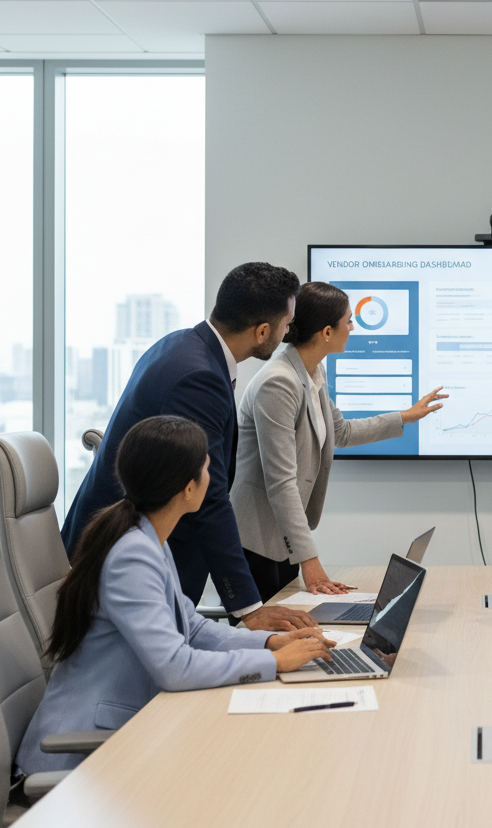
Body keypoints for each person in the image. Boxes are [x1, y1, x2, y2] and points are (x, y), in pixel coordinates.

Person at [17, 416, 334, 776]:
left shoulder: (147, 537)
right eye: (207, 468)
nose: (213, 478)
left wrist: (270, 642)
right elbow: (174, 668)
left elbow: (192, 627)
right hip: (81, 755)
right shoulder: (132, 556)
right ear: (187, 488)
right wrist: (274, 663)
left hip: (126, 733)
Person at [62, 263, 312, 632]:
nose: (288, 332)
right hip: (126, 566)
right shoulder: (199, 378)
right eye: (286, 324)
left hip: (129, 549)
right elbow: (208, 495)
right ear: (262, 331)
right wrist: (248, 608)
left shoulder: (183, 344)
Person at [231, 281, 448, 600]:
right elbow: (280, 482)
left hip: (281, 537)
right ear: (327, 332)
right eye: (349, 320)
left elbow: (341, 432)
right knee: (271, 625)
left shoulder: (313, 372)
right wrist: (310, 561)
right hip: (255, 539)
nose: (353, 326)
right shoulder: (278, 382)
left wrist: (405, 416)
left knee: (296, 617)